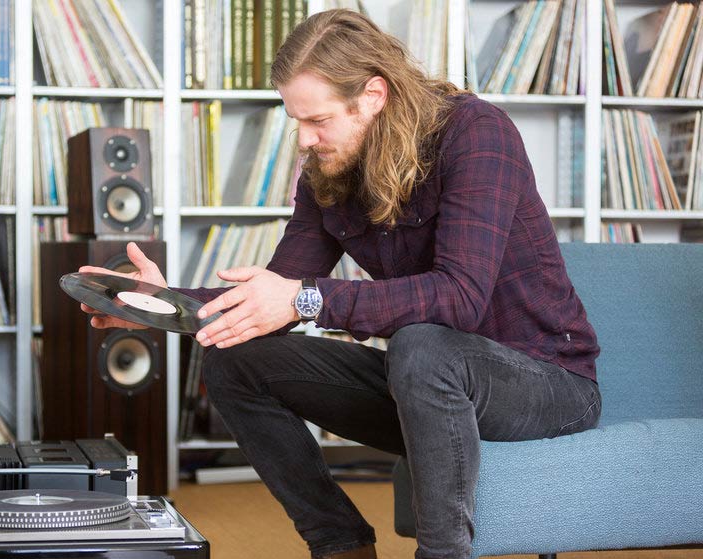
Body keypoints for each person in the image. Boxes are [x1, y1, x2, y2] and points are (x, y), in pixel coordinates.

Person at [78, 9, 602, 559]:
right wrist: (161, 305)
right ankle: (341, 545)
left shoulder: (477, 134)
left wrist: (309, 300)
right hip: (430, 389)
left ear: (373, 96)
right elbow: (272, 293)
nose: (305, 140)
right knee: (234, 360)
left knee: (422, 345)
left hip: (548, 386)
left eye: (318, 120)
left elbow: (459, 299)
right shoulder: (328, 167)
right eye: (296, 121)